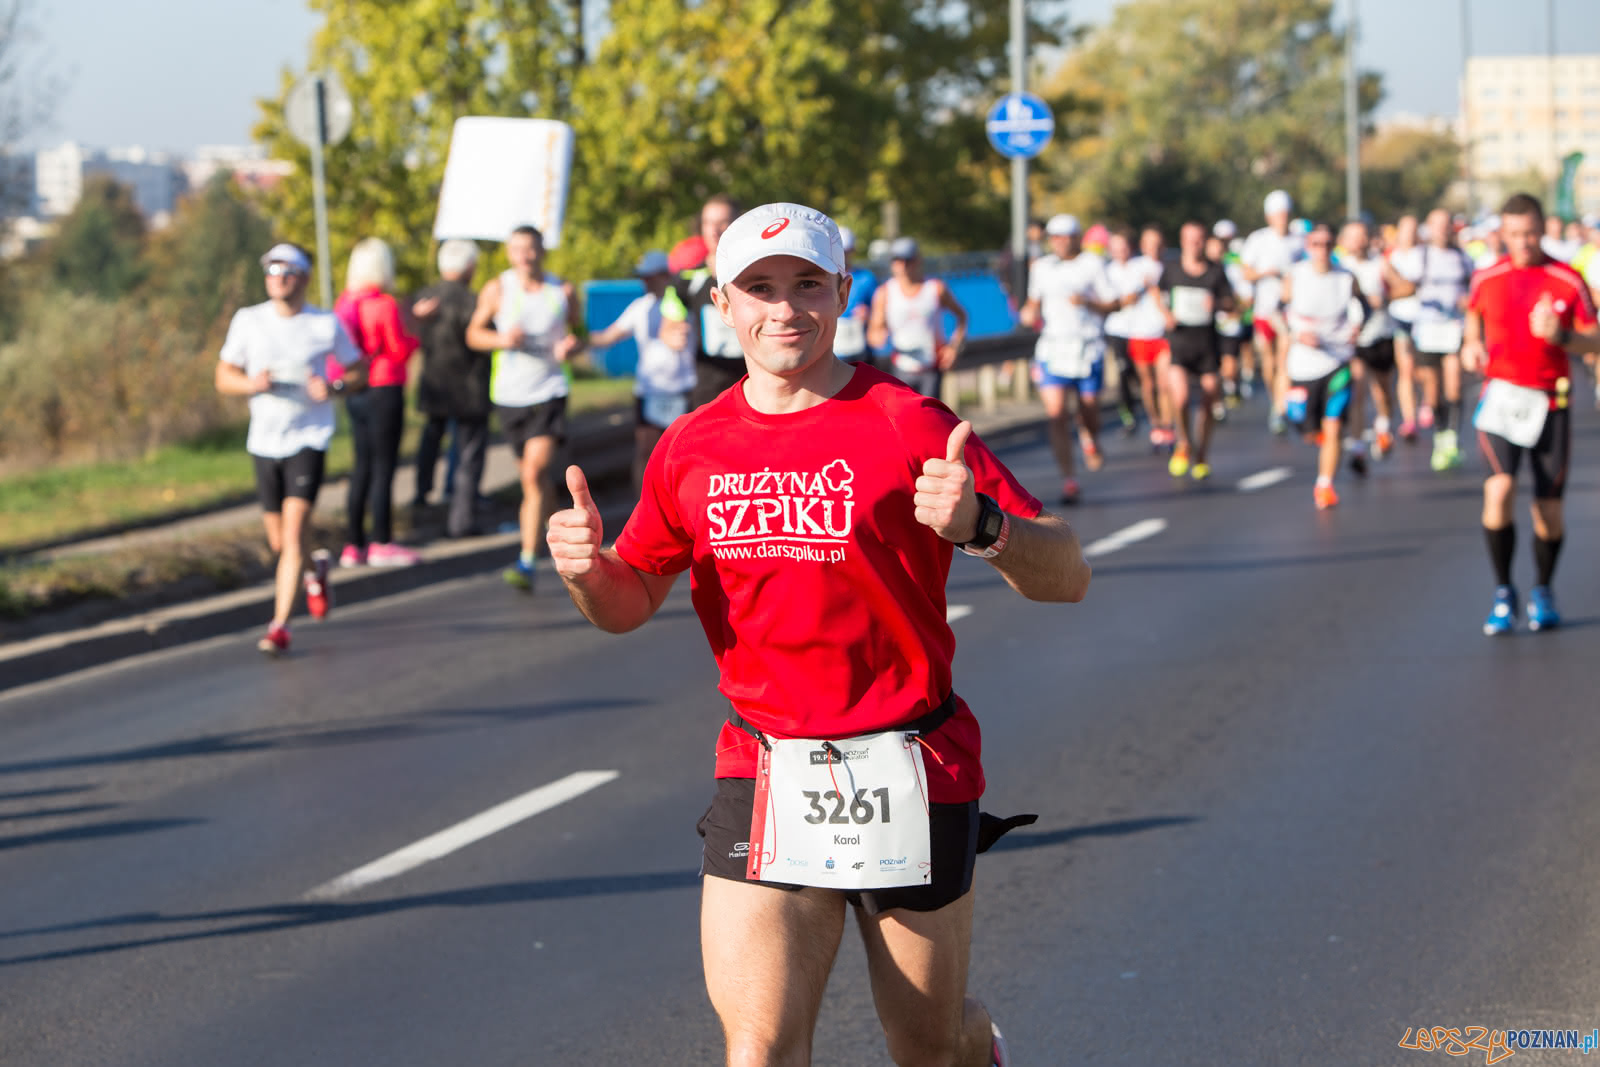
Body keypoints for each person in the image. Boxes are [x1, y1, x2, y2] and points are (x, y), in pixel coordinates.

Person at [547, 201, 1091, 1067]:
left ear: (842, 291)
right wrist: (587, 572)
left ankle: (972, 1042)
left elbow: (1068, 574)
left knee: (928, 1047)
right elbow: (629, 599)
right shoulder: (692, 445)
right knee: (759, 1048)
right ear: (723, 305)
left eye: (806, 283)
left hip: (907, 761)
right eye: (759, 288)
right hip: (765, 764)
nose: (784, 308)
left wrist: (983, 523)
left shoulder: (906, 420)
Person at [214, 242, 364, 655]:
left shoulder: (324, 323)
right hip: (264, 439)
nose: (277, 277)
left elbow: (357, 370)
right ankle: (315, 569)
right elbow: (223, 376)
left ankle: (279, 625)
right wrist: (251, 384)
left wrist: (333, 387)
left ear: (303, 277)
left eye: (287, 270)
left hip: (308, 437)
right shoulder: (249, 320)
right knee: (281, 544)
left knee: (294, 532)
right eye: (271, 270)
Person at [1464, 192, 1598, 634]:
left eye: (1531, 233)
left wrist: (1563, 337)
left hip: (1551, 402)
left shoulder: (1566, 279)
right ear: (1502, 233)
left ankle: (1542, 588)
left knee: (1548, 511)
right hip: (1502, 399)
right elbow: (1473, 316)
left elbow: (1594, 339)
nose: (1524, 242)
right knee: (1498, 490)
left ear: (1543, 230)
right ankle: (1503, 590)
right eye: (1515, 234)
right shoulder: (1487, 277)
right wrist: (1471, 344)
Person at [465, 224, 584, 592]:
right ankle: (555, 536)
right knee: (534, 481)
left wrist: (571, 346)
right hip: (510, 396)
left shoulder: (560, 290)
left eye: (531, 249)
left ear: (541, 252)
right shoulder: (498, 289)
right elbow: (473, 335)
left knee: (533, 474)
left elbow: (580, 334)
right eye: (518, 249)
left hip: (549, 391)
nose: (525, 256)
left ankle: (526, 561)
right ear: (509, 253)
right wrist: (503, 339)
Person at [335, 238, 422, 567]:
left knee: (361, 466)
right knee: (383, 468)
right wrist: (415, 331)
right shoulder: (385, 304)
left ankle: (352, 544)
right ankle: (382, 541)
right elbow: (399, 350)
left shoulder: (346, 302)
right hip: (385, 387)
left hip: (355, 391)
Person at [1020, 214, 1118, 503]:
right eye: (1054, 237)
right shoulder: (1041, 268)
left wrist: (1087, 302)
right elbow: (1033, 303)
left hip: (1087, 348)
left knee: (1088, 409)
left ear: (1077, 237)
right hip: (1054, 348)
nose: (1059, 242)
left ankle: (1090, 436)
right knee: (1056, 413)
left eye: (1065, 236)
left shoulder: (1093, 265)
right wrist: (1029, 313)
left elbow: (1113, 303)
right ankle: (1069, 479)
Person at [588, 250, 697, 494]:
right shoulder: (641, 306)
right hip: (650, 391)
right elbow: (607, 336)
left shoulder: (684, 303)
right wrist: (578, 339)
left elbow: (680, 337)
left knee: (683, 454)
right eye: (643, 277)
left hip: (683, 389)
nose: (644, 282)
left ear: (664, 276)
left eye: (649, 276)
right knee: (646, 453)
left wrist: (674, 333)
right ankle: (643, 505)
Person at [1279, 222, 1368, 510]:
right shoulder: (1296, 276)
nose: (1322, 250)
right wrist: (1295, 334)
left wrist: (1357, 328)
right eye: (1316, 244)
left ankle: (1324, 484)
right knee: (1302, 426)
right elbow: (1276, 312)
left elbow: (1362, 308)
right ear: (1308, 247)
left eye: (1328, 244)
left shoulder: (1346, 277)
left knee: (1333, 425)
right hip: (1303, 365)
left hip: (1337, 360)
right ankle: (1310, 431)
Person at [411, 239, 490, 539]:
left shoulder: (423, 300)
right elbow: (482, 341)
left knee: (431, 438)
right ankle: (462, 518)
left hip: (435, 385)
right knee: (469, 455)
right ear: (470, 267)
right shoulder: (473, 302)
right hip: (469, 388)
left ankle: (422, 492)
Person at [1388, 208, 1474, 472]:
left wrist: (1466, 302)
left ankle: (1451, 439)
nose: (1442, 229)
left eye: (1446, 224)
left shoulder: (1462, 257)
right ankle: (1439, 434)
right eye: (1437, 225)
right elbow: (1398, 281)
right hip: (1427, 330)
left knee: (1455, 386)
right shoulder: (1420, 256)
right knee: (1433, 391)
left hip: (1453, 327)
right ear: (1430, 227)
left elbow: (1473, 289)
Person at [1159, 220, 1235, 481]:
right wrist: (1166, 314)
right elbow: (1158, 295)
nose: (1194, 243)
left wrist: (1218, 304)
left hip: (1207, 346)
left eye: (1199, 239)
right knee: (1179, 398)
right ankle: (1184, 443)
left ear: (1205, 241)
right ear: (1182, 241)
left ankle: (1202, 453)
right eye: (1189, 239)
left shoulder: (1216, 271)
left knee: (1209, 398)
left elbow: (1231, 303)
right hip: (1180, 344)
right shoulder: (1172, 270)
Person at [869, 236, 968, 398]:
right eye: (897, 260)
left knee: (931, 420)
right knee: (904, 421)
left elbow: (962, 317)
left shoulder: (935, 288)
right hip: (901, 369)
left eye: (907, 260)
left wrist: (954, 347)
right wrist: (878, 333)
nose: (902, 265)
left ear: (917, 261)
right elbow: (874, 334)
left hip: (931, 369)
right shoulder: (885, 292)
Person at [1240, 190, 1304, 434]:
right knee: (1268, 362)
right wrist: (1266, 273)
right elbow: (1246, 272)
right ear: (1269, 216)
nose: (1282, 219)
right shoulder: (1258, 240)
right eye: (1277, 215)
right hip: (1264, 309)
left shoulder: (1299, 240)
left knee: (1283, 358)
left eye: (1285, 214)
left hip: (1288, 311)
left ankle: (1279, 407)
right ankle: (1274, 397)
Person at [674, 194, 745, 409]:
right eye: (708, 223)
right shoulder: (687, 279)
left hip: (755, 387)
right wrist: (672, 333)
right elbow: (670, 319)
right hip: (709, 391)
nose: (715, 230)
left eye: (723, 222)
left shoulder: (756, 274)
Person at [1336, 218, 1397, 463]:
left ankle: (1383, 426)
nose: (1358, 241)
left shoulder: (1380, 263)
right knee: (1358, 391)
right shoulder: (1339, 267)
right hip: (1355, 340)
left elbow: (1405, 287)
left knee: (1382, 391)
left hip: (1381, 334)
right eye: (1353, 236)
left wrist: (1383, 298)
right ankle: (1358, 447)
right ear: (1344, 241)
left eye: (1362, 236)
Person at [1103, 228, 1150, 434]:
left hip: (1141, 329)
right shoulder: (1106, 271)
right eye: (1115, 248)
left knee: (1142, 375)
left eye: (1123, 248)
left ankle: (1151, 411)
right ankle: (1128, 414)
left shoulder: (1140, 266)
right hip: (1117, 329)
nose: (1120, 252)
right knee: (1123, 371)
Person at [1384, 214, 1424, 441]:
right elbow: (1387, 290)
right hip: (1399, 317)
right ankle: (1410, 420)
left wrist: (1405, 287)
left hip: (1424, 320)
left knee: (1423, 372)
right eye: (1405, 229)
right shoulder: (1390, 257)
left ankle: (1428, 400)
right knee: (1406, 369)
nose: (1408, 234)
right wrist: (1406, 288)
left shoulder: (1424, 255)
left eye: (1413, 229)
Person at [1207, 220, 1253, 412]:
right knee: (1211, 369)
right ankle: (1217, 403)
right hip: (1206, 326)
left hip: (1229, 324)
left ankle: (1231, 386)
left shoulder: (1234, 266)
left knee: (1229, 365)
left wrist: (1237, 310)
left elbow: (1246, 296)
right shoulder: (1202, 268)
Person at [834, 226, 879, 367]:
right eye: (839, 251)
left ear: (852, 251)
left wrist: (869, 314)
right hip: (831, 348)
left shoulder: (866, 278)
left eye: (846, 251)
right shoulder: (821, 279)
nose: (842, 255)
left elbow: (881, 312)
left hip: (859, 348)